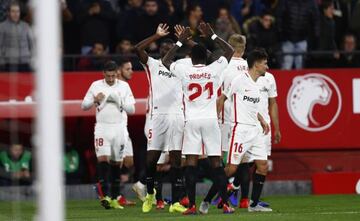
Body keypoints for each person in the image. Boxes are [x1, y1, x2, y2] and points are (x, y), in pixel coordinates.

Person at [162, 22, 235, 215]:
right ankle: (226, 204)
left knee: (191, 163)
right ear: (206, 58)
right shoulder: (214, 70)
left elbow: (165, 62)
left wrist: (179, 42)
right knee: (216, 164)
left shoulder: (184, 70)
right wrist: (212, 36)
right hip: (211, 120)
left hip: (192, 121)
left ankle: (192, 205)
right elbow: (230, 51)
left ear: (191, 59)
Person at [134, 23, 187, 214]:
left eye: (170, 48)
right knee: (151, 161)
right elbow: (137, 48)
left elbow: (201, 56)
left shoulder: (181, 67)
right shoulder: (153, 64)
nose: (166, 51)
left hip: (177, 116)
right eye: (164, 48)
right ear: (159, 51)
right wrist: (156, 36)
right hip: (157, 117)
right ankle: (150, 194)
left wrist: (185, 41)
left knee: (175, 161)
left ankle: (175, 202)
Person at [215, 48, 272, 212]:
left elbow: (252, 107)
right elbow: (222, 99)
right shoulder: (239, 80)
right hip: (240, 130)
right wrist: (216, 120)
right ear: (256, 65)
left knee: (263, 165)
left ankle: (253, 205)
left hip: (255, 130)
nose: (267, 67)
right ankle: (213, 195)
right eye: (265, 64)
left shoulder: (257, 84)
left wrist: (261, 120)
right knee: (232, 168)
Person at [201, 33, 249, 209]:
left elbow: (219, 95)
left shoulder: (223, 65)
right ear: (244, 48)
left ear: (229, 46)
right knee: (243, 160)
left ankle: (216, 196)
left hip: (224, 119)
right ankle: (241, 196)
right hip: (244, 120)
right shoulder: (249, 66)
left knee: (218, 161)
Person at [81, 60, 135, 209]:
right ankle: (104, 196)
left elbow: (132, 110)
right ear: (103, 74)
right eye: (108, 76)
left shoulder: (124, 86)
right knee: (103, 160)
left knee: (116, 163)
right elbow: (83, 106)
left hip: (118, 128)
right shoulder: (95, 85)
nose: (111, 79)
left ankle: (115, 197)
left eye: (113, 76)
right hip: (102, 128)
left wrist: (121, 102)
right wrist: (94, 100)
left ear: (116, 73)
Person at [113, 59, 137, 206]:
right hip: (114, 130)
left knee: (129, 163)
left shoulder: (125, 86)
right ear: (119, 70)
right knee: (118, 163)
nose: (131, 71)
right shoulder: (111, 86)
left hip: (124, 128)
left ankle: (105, 186)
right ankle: (117, 195)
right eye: (128, 69)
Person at [0, 1, 33, 72]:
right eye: (13, 11)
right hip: (8, 64)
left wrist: (31, 59)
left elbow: (32, 45)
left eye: (17, 11)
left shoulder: (26, 26)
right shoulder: (2, 27)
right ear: (8, 13)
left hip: (25, 63)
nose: (15, 14)